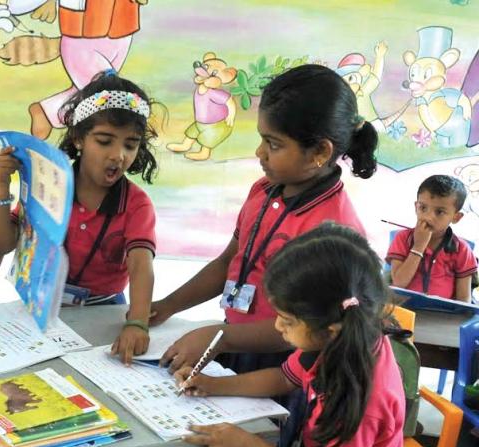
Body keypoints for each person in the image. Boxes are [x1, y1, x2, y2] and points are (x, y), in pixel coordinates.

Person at [154, 64, 379, 375]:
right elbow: (228, 262)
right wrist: (166, 306)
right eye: (262, 139)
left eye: (273, 144)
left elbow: (306, 327)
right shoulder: (263, 191)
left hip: (286, 368)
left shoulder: (334, 231)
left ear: (319, 152)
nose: (260, 152)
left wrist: (219, 338)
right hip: (234, 342)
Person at [176, 223, 405, 447]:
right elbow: (285, 378)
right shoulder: (343, 336)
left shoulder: (360, 407)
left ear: (330, 330)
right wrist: (212, 385)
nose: (277, 326)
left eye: (287, 321)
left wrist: (247, 444)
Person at [0, 70, 158, 365]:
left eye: (130, 145)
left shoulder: (136, 205)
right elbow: (2, 244)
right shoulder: (48, 184)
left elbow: (140, 266)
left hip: (104, 313)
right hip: (41, 309)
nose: (119, 155)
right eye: (105, 141)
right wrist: (2, 185)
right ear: (79, 138)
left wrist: (136, 323)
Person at [387, 174, 476, 301]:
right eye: (423, 208)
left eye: (439, 212)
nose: (428, 217)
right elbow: (399, 283)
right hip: (404, 309)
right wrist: (418, 247)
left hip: (441, 316)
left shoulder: (461, 249)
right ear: (416, 207)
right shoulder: (402, 238)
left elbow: (463, 301)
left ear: (456, 217)